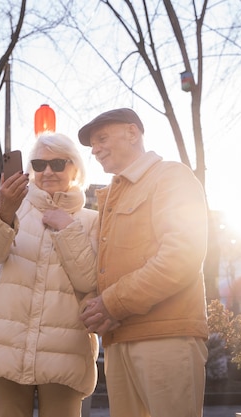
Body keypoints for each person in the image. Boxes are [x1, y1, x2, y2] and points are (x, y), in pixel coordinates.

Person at [77, 108, 209, 417]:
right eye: (93, 144)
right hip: (119, 339)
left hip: (166, 337)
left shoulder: (171, 176)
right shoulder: (111, 197)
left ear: (132, 133)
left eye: (102, 138)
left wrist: (111, 303)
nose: (95, 150)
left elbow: (182, 254)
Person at [0, 132, 100, 417]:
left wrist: (68, 228)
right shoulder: (14, 211)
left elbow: (89, 281)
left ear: (75, 168)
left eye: (58, 163)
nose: (48, 171)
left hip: (65, 350)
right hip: (6, 345)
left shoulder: (92, 222)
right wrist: (3, 211)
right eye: (39, 165)